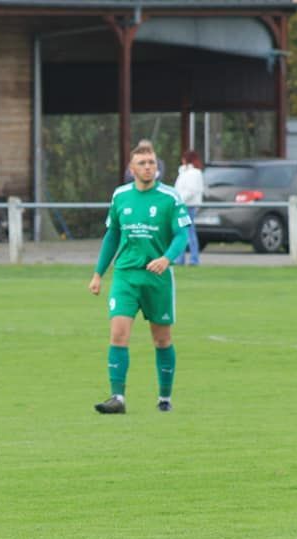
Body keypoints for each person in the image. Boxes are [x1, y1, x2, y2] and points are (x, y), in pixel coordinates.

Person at [89, 140, 191, 414]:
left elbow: (182, 235)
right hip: (125, 276)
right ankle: (117, 398)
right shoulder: (120, 196)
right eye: (143, 163)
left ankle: (165, 398)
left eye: (152, 163)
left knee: (161, 339)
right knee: (118, 334)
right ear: (131, 168)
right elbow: (112, 236)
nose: (148, 168)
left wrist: (166, 258)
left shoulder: (170, 198)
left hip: (157, 278)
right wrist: (98, 273)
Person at [173, 149, 204, 266]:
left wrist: (179, 201)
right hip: (183, 206)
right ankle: (181, 258)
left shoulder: (194, 173)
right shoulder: (184, 172)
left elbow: (190, 191)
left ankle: (194, 259)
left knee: (189, 233)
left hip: (188, 206)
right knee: (183, 233)